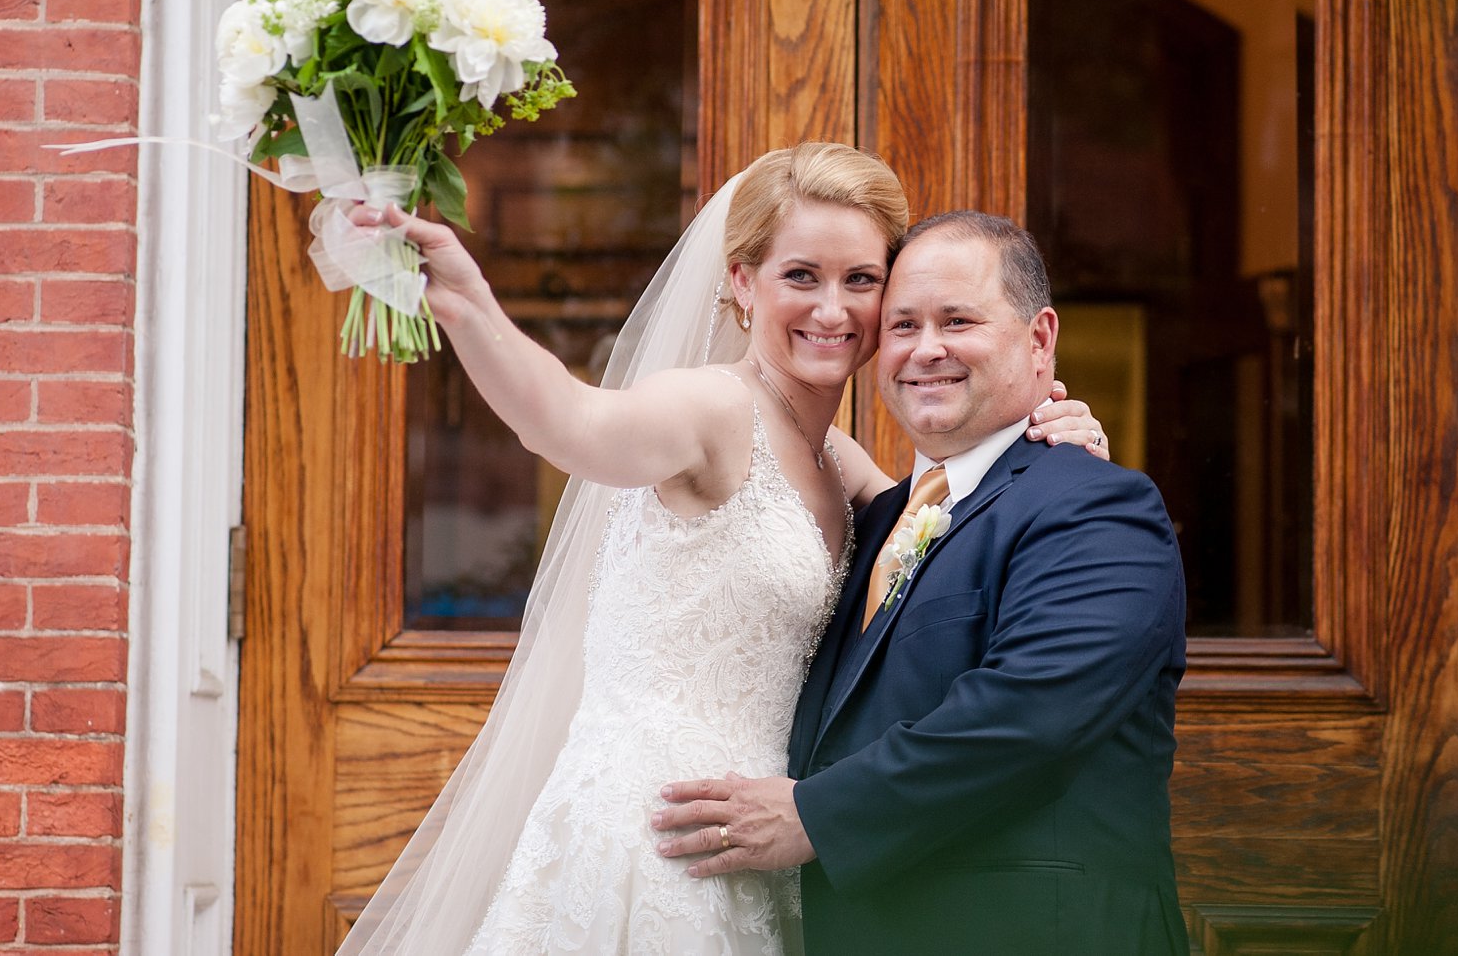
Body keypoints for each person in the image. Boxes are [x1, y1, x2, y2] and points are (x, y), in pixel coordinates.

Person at [335, 144, 1108, 956]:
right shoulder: (709, 407)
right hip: (657, 836)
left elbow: (963, 528)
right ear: (743, 282)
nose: (834, 309)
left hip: (763, 838)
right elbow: (570, 423)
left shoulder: (839, 463)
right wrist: (470, 305)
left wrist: (1048, 431)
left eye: (861, 280)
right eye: (800, 276)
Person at [654, 211, 1190, 956]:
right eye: (902, 325)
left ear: (1040, 339)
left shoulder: (1097, 504)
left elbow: (1026, 715)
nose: (925, 349)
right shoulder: (875, 522)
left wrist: (815, 815)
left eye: (958, 320)